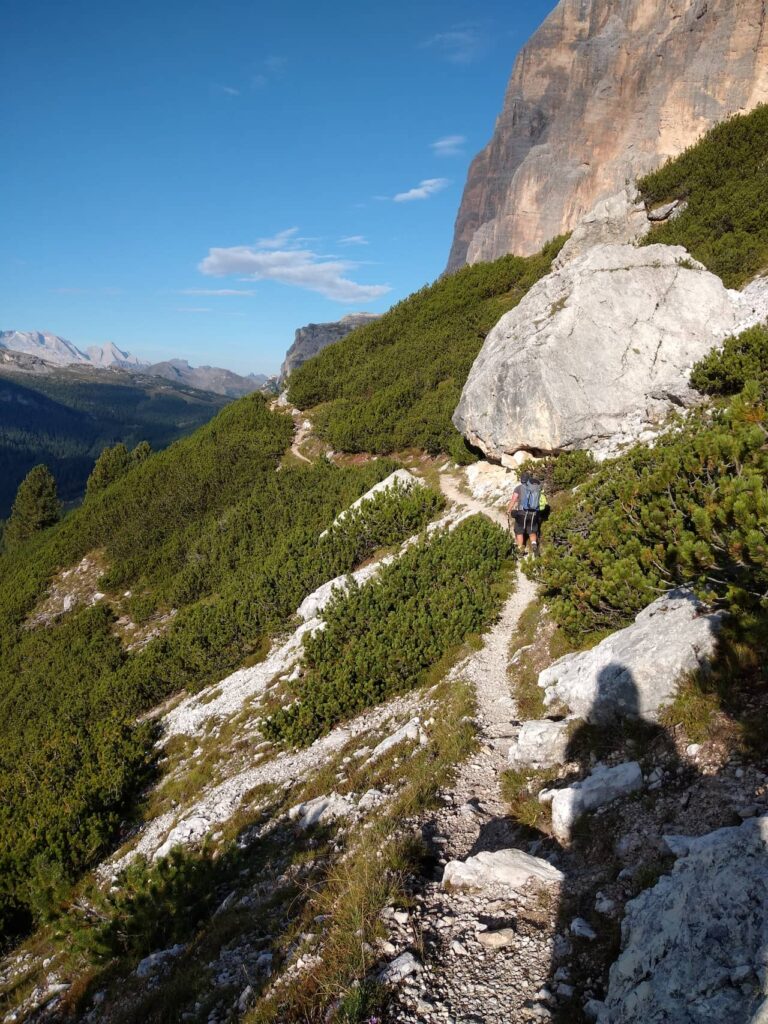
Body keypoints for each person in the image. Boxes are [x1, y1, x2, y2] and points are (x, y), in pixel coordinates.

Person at [506, 471, 548, 555]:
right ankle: (534, 544)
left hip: (522, 512)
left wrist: (508, 510)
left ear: (521, 480)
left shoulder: (518, 488)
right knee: (532, 530)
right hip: (534, 513)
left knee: (519, 531)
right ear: (529, 479)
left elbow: (513, 499)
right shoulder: (536, 487)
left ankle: (521, 549)